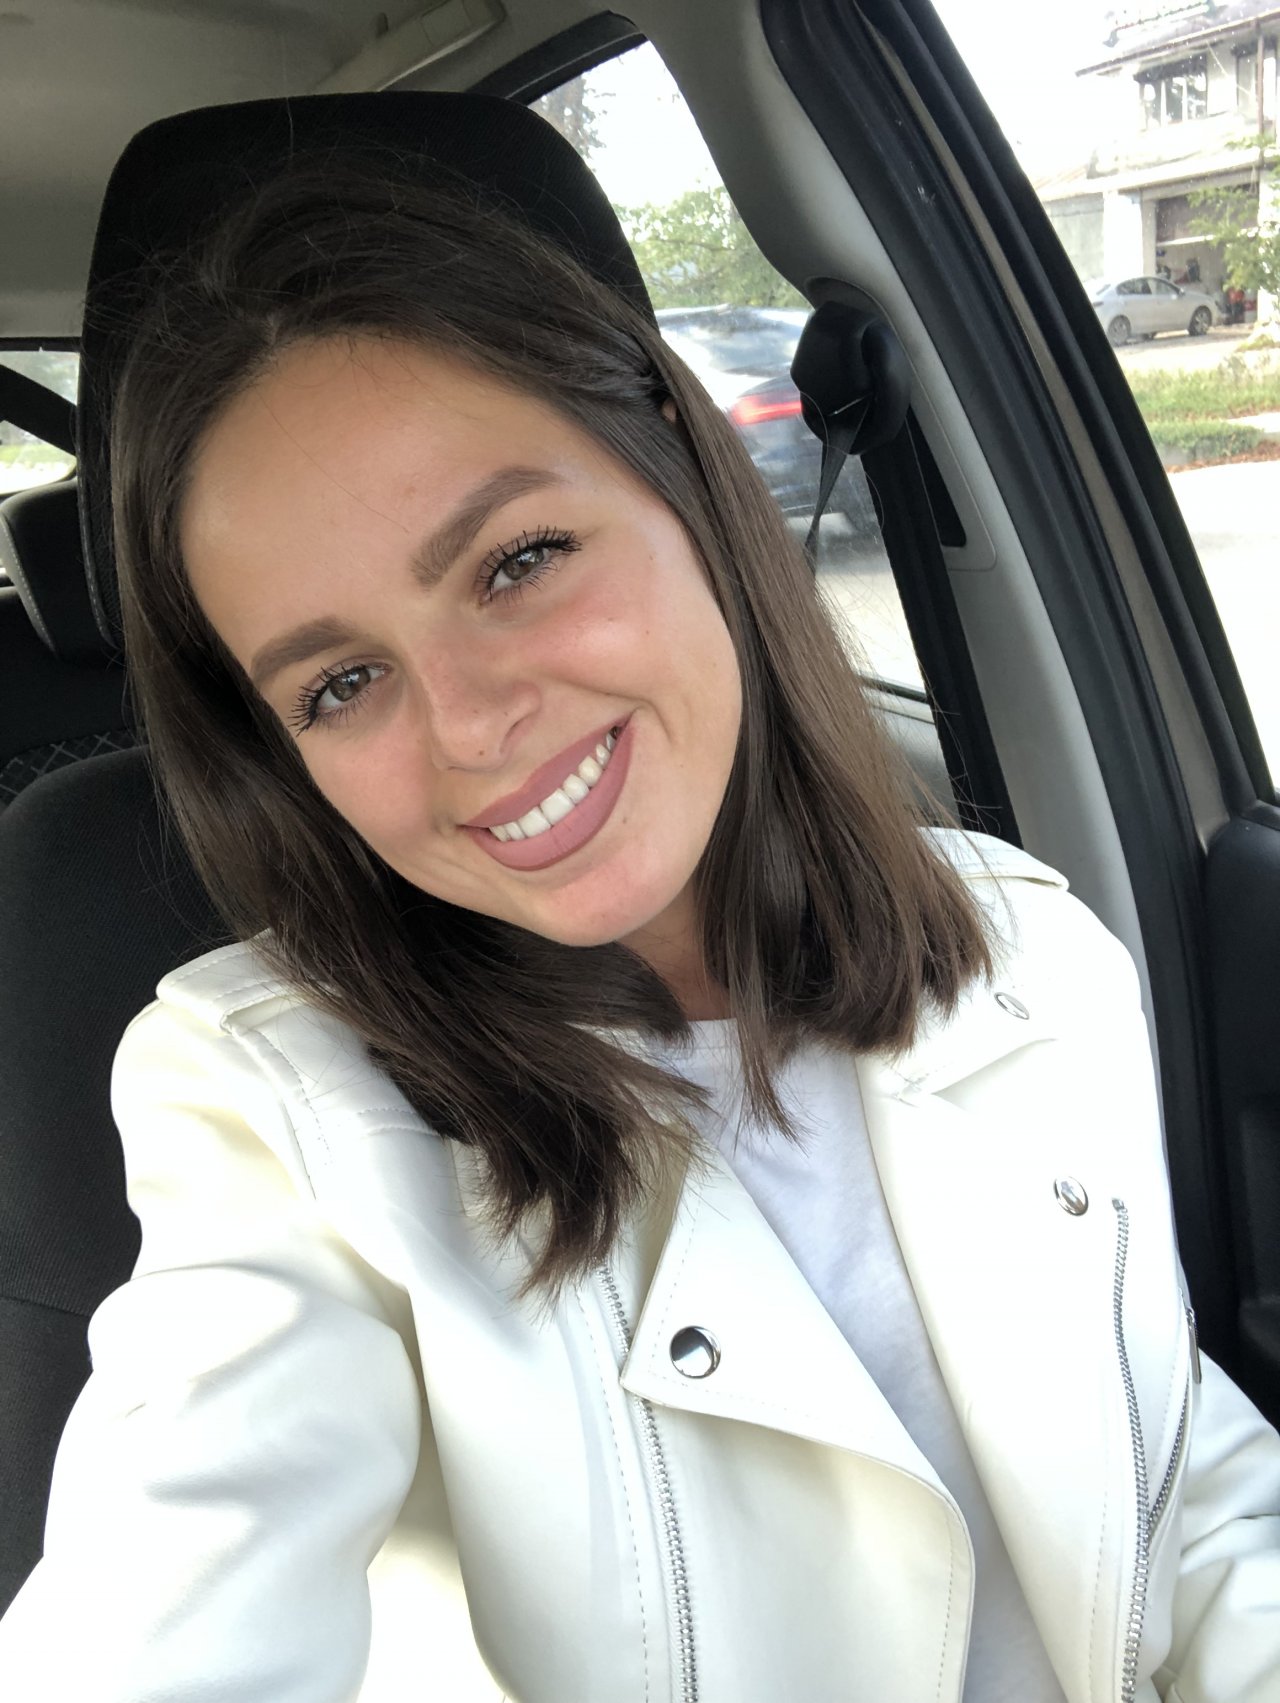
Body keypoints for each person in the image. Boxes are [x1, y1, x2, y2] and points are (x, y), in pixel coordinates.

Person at [2, 112, 1280, 1703]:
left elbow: (1179, 1482)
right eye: (340, 683)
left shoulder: (1031, 953)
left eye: (518, 560)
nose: (472, 726)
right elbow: (167, 1600)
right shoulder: (274, 1114)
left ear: (685, 475)